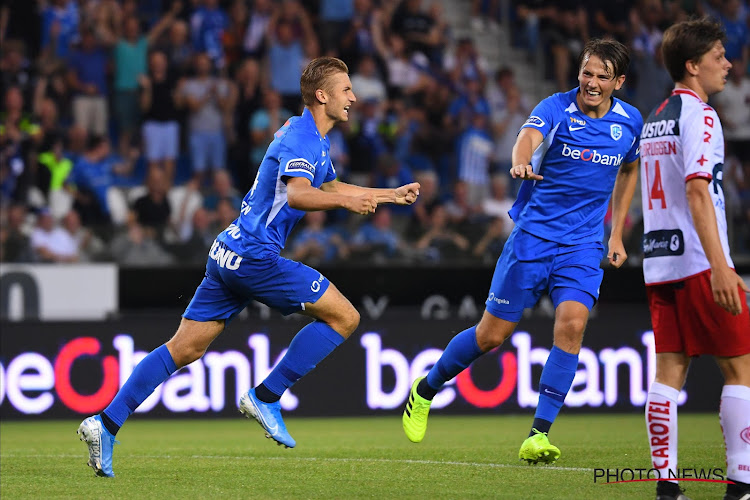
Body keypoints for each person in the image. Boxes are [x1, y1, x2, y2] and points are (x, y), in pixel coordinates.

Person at [77, 56, 420, 477]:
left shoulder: (308, 135)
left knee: (184, 348)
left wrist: (390, 195)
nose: (353, 97)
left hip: (228, 251)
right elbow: (298, 195)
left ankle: (105, 424)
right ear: (322, 95)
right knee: (345, 317)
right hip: (256, 257)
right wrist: (349, 203)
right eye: (346, 89)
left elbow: (329, 185)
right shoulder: (301, 140)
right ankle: (267, 395)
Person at [402, 38, 642, 465]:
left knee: (571, 326)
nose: (591, 82)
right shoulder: (556, 107)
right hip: (532, 239)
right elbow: (527, 136)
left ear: (618, 82)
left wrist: (616, 234)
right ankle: (425, 389)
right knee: (491, 336)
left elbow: (629, 167)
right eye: (587, 72)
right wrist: (519, 161)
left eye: (602, 76)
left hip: (582, 246)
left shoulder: (630, 123)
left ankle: (538, 434)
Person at [639, 19, 750, 500]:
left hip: (660, 262)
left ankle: (667, 488)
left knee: (668, 372)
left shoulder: (656, 117)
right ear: (693, 65)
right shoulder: (700, 116)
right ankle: (741, 483)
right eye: (719, 55)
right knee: (741, 370)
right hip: (701, 263)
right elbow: (698, 192)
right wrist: (722, 264)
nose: (728, 63)